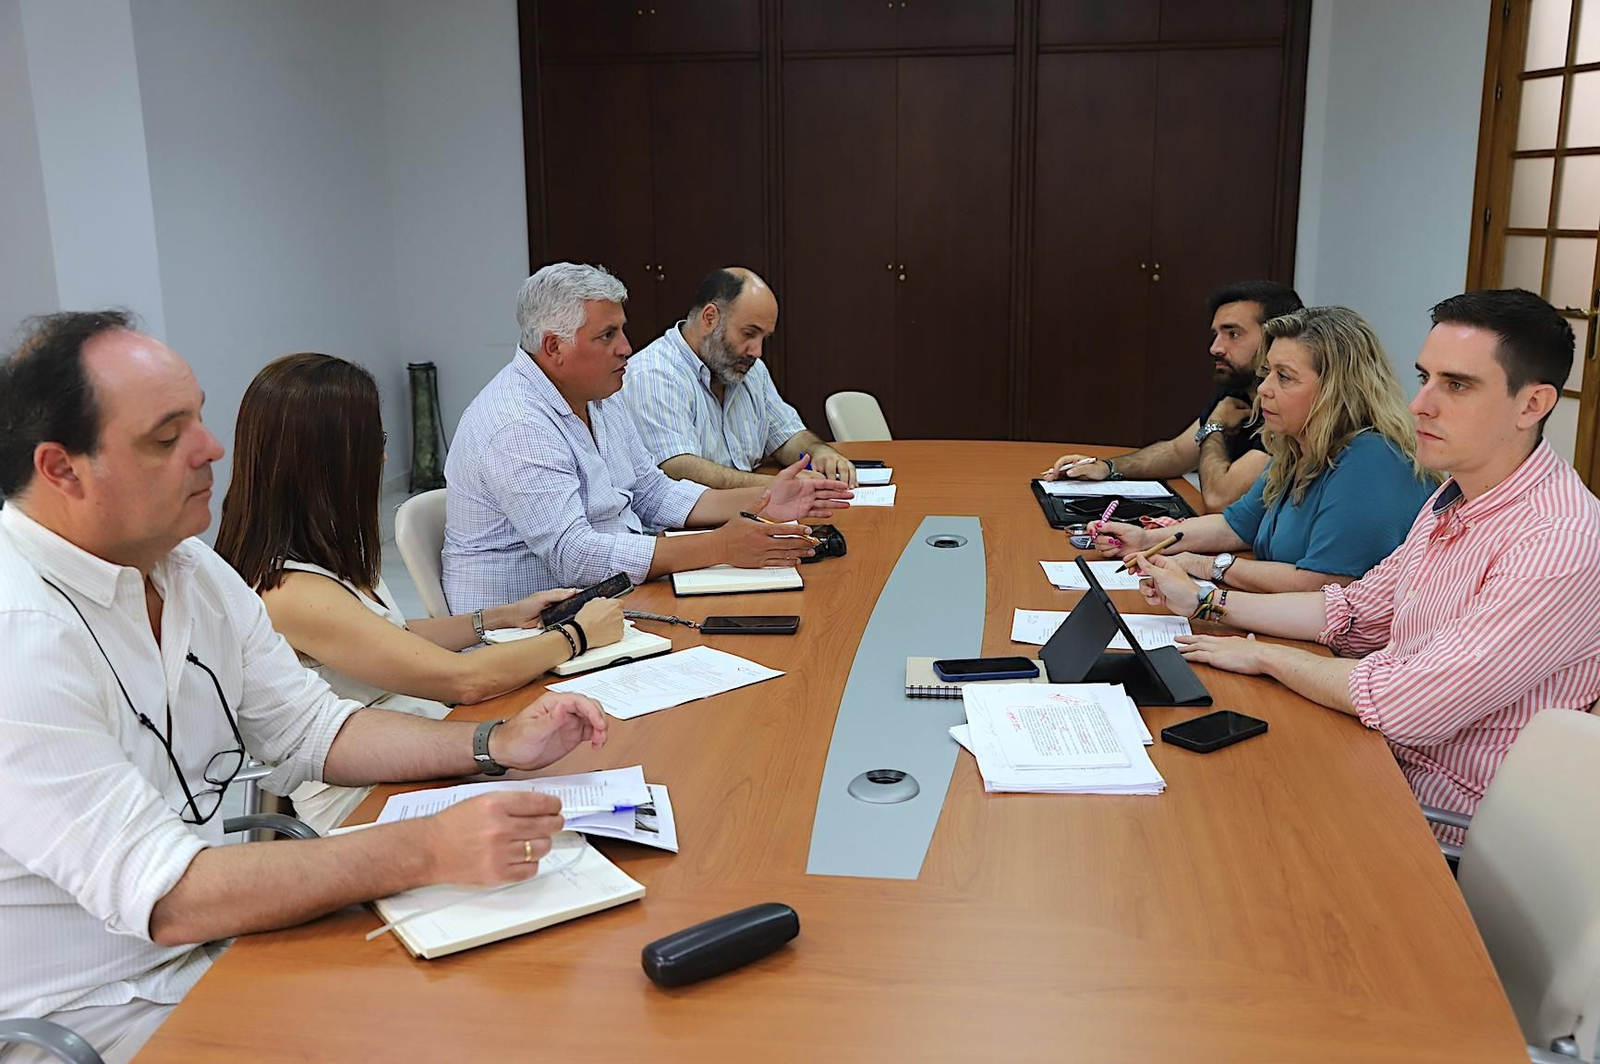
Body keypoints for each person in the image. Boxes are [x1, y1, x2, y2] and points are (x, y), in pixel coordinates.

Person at [0, 311, 609, 1063]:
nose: (211, 449)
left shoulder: (189, 569)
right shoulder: (18, 632)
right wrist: (424, 848)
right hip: (98, 1018)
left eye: (199, 417)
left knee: (522, 996)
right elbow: (168, 893)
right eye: (167, 437)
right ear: (62, 468)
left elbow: (312, 729)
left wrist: (493, 744)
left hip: (216, 949)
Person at [1131, 289, 1600, 837]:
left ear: (1532, 405)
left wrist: (1265, 659)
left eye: (1457, 385)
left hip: (1442, 827)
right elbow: (1352, 609)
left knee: (1203, 821)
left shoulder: (1559, 543)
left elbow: (1407, 703)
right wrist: (1209, 601)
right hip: (1376, 762)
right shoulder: (1455, 496)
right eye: (1425, 378)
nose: (1420, 404)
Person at [214, 352, 626, 834]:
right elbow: (462, 681)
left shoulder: (320, 552)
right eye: (375, 441)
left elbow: (390, 637)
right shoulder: (290, 591)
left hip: (412, 746)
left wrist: (499, 618)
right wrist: (576, 635)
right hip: (370, 794)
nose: (384, 457)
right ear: (326, 460)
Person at [442, 262, 853, 614]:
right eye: (607, 336)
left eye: (622, 330)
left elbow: (651, 492)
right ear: (554, 347)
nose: (626, 348)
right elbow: (575, 555)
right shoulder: (517, 424)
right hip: (525, 631)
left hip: (603, 601)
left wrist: (760, 501)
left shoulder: (598, 394)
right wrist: (719, 547)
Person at [1093, 307, 1438, 593]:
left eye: (1284, 377)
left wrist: (1206, 566)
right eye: (1266, 373)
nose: (1264, 390)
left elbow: (1325, 585)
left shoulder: (1372, 460)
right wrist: (1145, 539)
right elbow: (1236, 526)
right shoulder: (1295, 446)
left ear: (1336, 390)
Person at [1042, 280, 1303, 511]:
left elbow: (1218, 499)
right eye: (1216, 334)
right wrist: (1107, 468)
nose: (1215, 348)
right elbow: (1177, 453)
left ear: (1274, 338)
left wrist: (1213, 427)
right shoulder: (1235, 394)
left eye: (1233, 334)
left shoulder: (1287, 409)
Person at [622, 267, 858, 487]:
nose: (757, 351)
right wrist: (776, 487)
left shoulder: (749, 370)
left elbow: (786, 436)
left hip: (747, 514)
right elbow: (678, 470)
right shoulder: (654, 374)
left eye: (764, 338)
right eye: (749, 333)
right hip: (685, 527)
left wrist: (819, 452)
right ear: (710, 318)